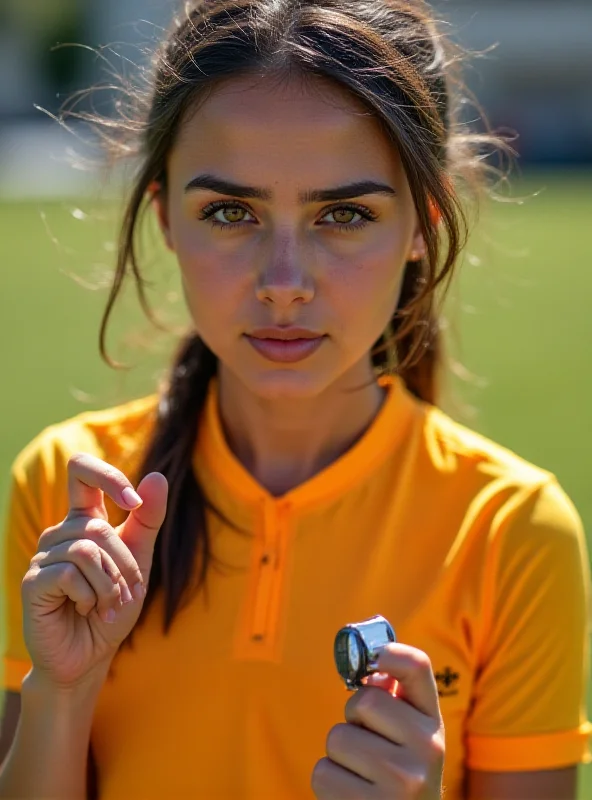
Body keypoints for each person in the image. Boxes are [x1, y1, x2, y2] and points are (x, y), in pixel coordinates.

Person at [0, 0, 590, 798]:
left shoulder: (512, 531)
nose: (284, 284)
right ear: (164, 216)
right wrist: (61, 694)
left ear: (426, 219)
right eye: (230, 212)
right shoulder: (74, 498)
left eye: (344, 214)